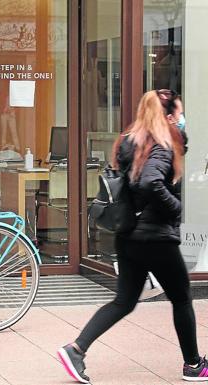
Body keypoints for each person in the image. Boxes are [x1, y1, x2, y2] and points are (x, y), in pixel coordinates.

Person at [58, 89, 207, 383]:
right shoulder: (161, 147)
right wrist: (175, 208)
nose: (182, 118)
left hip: (127, 236)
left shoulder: (129, 142)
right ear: (167, 116)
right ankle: (193, 365)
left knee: (124, 301)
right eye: (179, 113)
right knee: (182, 299)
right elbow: (152, 182)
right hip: (156, 239)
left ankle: (76, 350)